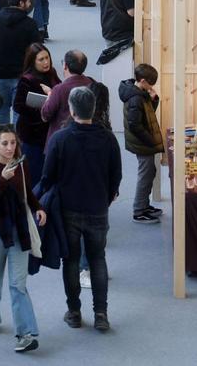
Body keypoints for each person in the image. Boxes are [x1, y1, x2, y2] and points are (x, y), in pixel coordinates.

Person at [40, 86, 121, 333]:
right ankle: (101, 314)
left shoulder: (60, 139)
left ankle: (74, 311)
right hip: (97, 209)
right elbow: (115, 177)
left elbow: (47, 177)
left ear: (71, 109)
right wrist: (104, 200)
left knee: (72, 261)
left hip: (68, 210)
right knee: (97, 259)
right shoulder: (108, 138)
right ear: (94, 109)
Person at [0, 125, 46, 353]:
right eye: (4, 143)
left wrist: (38, 208)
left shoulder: (21, 164)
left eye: (13, 143)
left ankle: (25, 333)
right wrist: (2, 179)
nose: (9, 148)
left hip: (18, 229)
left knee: (18, 284)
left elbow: (26, 192)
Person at [0, 0, 42, 124]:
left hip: (0, 74)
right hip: (22, 76)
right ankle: (16, 143)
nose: (30, 3)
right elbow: (37, 51)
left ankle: (2, 141)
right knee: (20, 112)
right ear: (21, 3)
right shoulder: (30, 24)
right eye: (28, 1)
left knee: (1, 111)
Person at [119, 63, 164, 224]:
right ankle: (139, 211)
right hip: (142, 143)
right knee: (145, 175)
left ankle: (144, 205)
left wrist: (154, 99)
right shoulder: (136, 98)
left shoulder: (140, 93)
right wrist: (151, 141)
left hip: (143, 142)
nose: (152, 86)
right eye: (150, 83)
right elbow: (135, 125)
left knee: (149, 171)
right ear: (143, 81)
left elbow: (148, 114)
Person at [12, 43, 61, 188]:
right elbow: (18, 105)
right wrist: (44, 106)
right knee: (34, 175)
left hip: (50, 132)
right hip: (32, 135)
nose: (46, 62)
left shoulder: (52, 73)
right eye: (41, 59)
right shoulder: (27, 79)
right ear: (33, 61)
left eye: (47, 58)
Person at [40, 49, 93, 147]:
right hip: (87, 140)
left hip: (61, 143)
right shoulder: (93, 85)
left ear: (65, 66)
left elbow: (45, 115)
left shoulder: (59, 89)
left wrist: (50, 94)